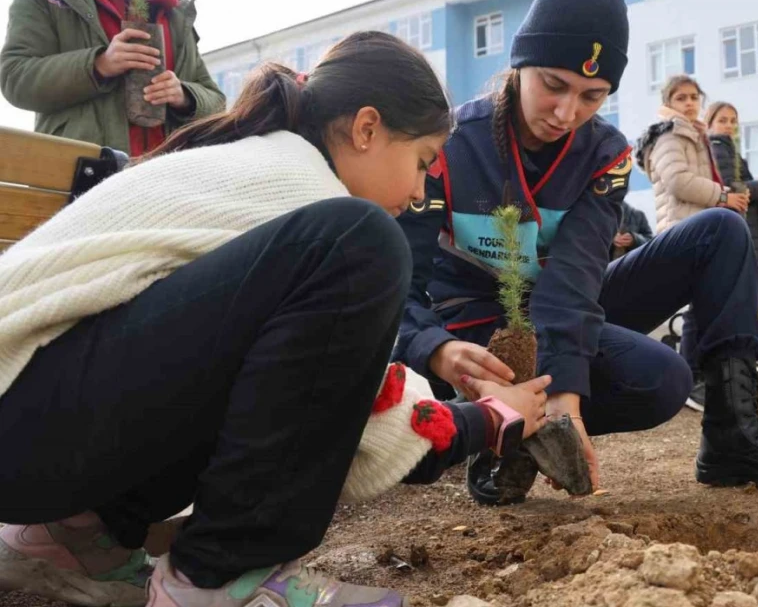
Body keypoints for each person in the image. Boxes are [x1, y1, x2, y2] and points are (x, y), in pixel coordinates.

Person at [0, 32, 554, 607]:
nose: (418, 192)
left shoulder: (264, 166)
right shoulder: (302, 192)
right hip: (22, 429)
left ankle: (73, 538)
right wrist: (488, 418)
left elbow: (292, 385)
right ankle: (222, 579)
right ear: (367, 129)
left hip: (29, 423)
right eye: (421, 163)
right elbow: (353, 412)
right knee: (368, 241)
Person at [395, 0, 758, 508]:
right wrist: (435, 350)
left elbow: (574, 279)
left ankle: (732, 435)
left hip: (558, 308)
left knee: (716, 242)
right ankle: (503, 432)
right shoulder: (449, 144)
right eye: (552, 85)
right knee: (477, 342)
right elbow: (399, 286)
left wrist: (566, 406)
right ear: (519, 65)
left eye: (592, 96)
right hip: (475, 332)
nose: (565, 112)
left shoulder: (604, 155)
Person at [1, 0, 225, 157]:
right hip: (81, 180)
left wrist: (184, 96)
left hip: (168, 183)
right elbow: (15, 77)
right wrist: (99, 65)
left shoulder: (175, 12)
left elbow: (217, 103)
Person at [635, 76, 746, 409]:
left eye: (694, 97)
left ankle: (697, 378)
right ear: (668, 102)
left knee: (704, 305)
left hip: (696, 226)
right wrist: (723, 196)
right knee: (699, 309)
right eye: (681, 97)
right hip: (683, 228)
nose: (689, 103)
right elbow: (678, 181)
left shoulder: (694, 133)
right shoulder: (671, 133)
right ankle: (690, 379)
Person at [704, 101, 758, 284]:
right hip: (736, 231)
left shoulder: (730, 152)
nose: (729, 126)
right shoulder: (716, 149)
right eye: (722, 120)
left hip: (746, 228)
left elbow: (742, 192)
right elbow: (728, 189)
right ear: (709, 124)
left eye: (733, 121)